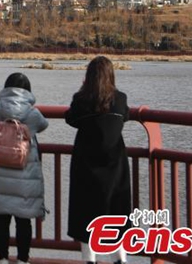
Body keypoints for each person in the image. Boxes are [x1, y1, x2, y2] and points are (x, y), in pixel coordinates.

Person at [65, 56, 131, 264]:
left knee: (86, 214)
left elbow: (70, 118)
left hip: (86, 165)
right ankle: (119, 259)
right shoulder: (119, 99)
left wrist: (83, 91)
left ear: (88, 76)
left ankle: (90, 260)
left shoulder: (82, 100)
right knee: (115, 213)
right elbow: (126, 116)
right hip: (114, 166)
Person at [0, 72, 48, 264]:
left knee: (1, 217)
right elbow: (43, 125)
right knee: (23, 219)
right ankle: (22, 259)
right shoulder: (32, 113)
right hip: (24, 171)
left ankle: (2, 258)